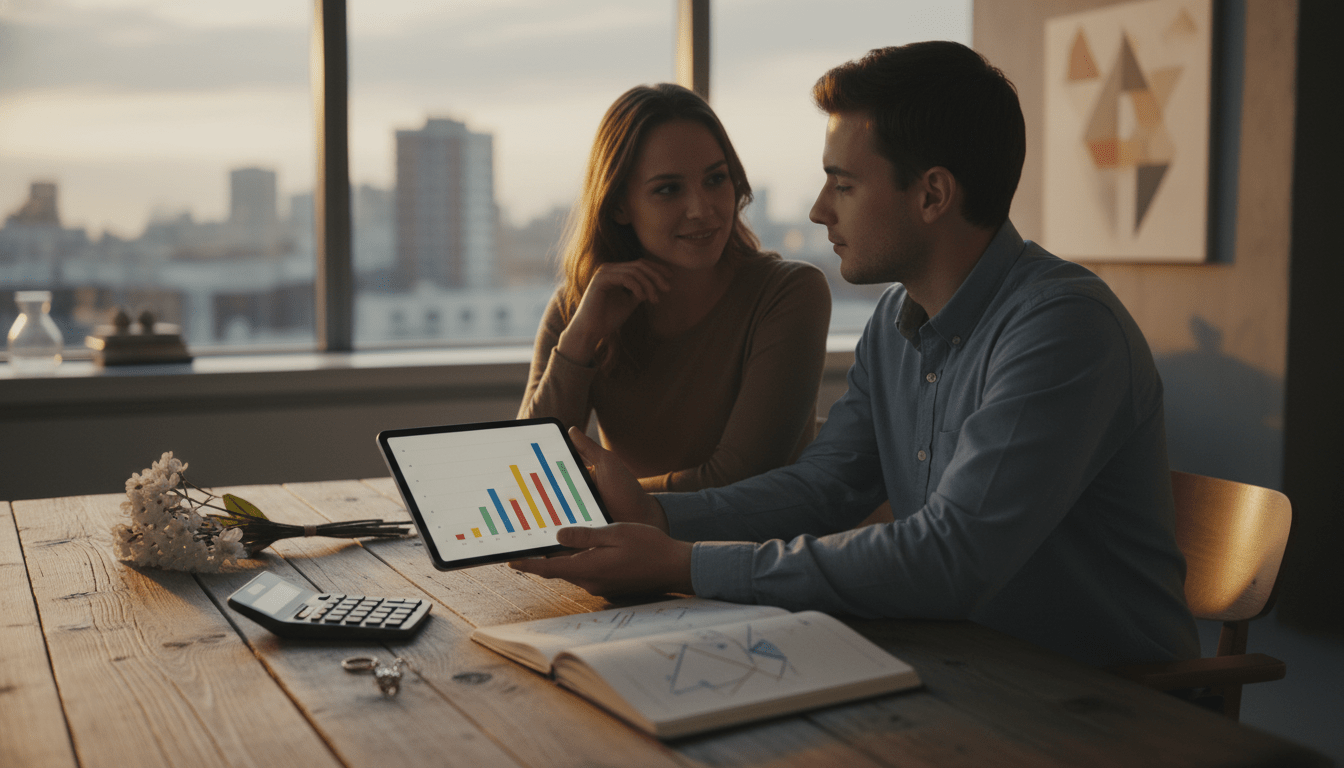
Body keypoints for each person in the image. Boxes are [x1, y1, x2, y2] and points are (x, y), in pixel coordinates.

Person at [512, 42, 1200, 669]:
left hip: (1101, 704)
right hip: (958, 667)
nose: (817, 209)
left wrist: (685, 562)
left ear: (931, 194)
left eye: (842, 183)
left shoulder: (1062, 330)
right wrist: (661, 520)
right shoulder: (895, 326)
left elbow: (949, 558)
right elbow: (826, 487)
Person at [518, 84, 831, 494]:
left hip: (753, 553)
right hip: (633, 551)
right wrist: (581, 338)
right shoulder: (580, 307)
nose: (702, 209)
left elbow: (738, 484)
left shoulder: (788, 293)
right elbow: (525, 475)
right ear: (618, 206)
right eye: (668, 189)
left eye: (716, 179)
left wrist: (598, 500)